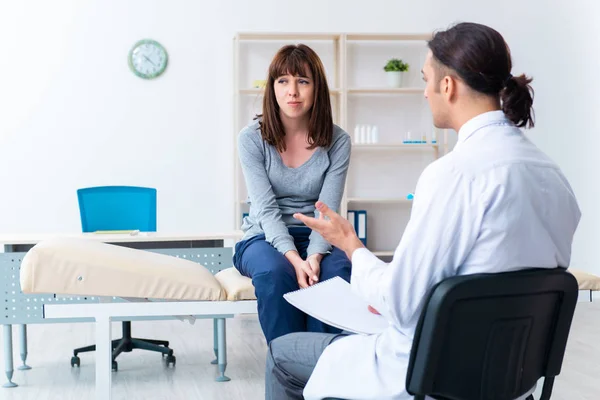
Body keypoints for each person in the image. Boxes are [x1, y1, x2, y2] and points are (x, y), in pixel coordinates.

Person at [265, 22, 582, 400]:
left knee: (280, 354)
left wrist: (352, 247)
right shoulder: (553, 177)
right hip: (511, 380)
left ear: (447, 86)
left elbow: (403, 305)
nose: (424, 92)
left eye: (425, 79)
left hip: (429, 373)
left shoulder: (454, 174)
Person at [233, 44, 353, 344]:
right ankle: (287, 370)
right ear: (272, 88)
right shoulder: (251, 138)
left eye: (303, 81)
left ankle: (320, 373)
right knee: (276, 275)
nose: (293, 92)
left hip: (317, 236)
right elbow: (266, 210)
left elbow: (327, 211)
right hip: (262, 237)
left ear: (317, 88)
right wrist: (294, 259)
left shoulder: (338, 141)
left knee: (336, 276)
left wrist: (312, 257)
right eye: (283, 81)